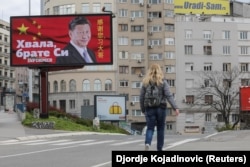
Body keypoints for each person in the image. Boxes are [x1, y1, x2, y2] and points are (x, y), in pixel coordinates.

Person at [139, 63, 179, 151]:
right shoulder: (162, 82)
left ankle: (147, 143)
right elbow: (169, 95)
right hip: (161, 108)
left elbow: (141, 97)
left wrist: (142, 109)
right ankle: (159, 148)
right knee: (161, 129)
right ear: (159, 71)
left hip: (149, 108)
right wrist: (175, 108)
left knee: (150, 128)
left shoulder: (145, 82)